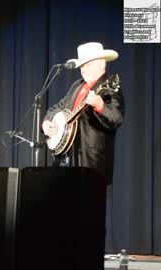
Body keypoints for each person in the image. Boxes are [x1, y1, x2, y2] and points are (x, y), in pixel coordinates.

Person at [41, 42, 124, 269]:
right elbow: (56, 107)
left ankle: (92, 263)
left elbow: (116, 119)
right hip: (66, 159)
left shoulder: (111, 86)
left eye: (86, 64)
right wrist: (47, 122)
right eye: (81, 65)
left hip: (92, 162)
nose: (82, 69)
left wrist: (99, 106)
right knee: (67, 216)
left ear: (100, 63)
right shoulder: (77, 86)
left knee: (92, 219)